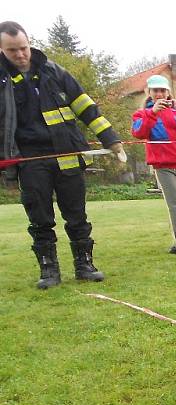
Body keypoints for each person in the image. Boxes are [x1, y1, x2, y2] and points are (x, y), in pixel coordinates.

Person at [0, 21, 125, 289]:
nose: (21, 55)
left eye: (23, 48)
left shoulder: (53, 71)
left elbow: (85, 105)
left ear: (29, 42)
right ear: (2, 50)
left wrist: (111, 139)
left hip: (67, 152)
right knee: (40, 217)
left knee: (76, 213)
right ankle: (49, 270)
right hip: (30, 160)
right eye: (12, 51)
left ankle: (85, 265)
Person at [131, 75, 176, 254]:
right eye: (155, 90)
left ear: (168, 92)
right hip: (163, 166)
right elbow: (139, 132)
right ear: (148, 92)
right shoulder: (141, 114)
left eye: (163, 90)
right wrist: (152, 113)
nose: (160, 94)